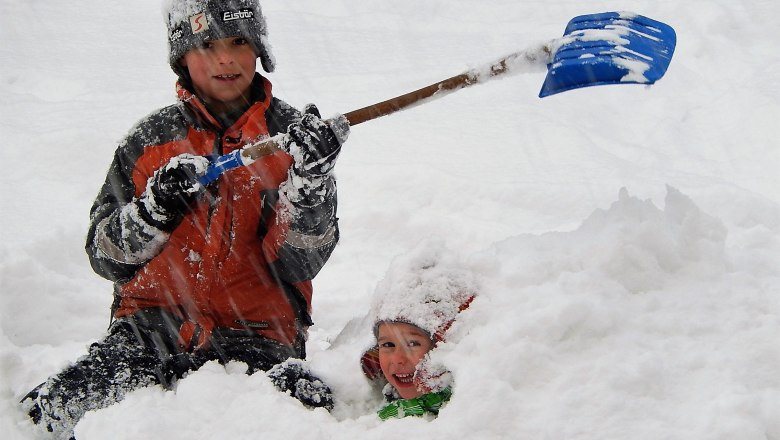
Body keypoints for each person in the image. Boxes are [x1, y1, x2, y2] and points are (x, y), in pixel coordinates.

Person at [19, 0, 347, 437]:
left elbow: (300, 264)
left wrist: (311, 185)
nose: (225, 58)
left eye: (238, 41)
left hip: (260, 332)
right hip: (149, 324)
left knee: (289, 422)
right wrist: (153, 211)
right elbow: (105, 257)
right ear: (180, 57)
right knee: (46, 417)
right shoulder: (150, 141)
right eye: (206, 44)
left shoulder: (293, 139)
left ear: (259, 50)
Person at [359, 242, 477, 420]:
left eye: (413, 343)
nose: (398, 359)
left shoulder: (468, 410)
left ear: (444, 347)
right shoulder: (390, 388)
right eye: (388, 344)